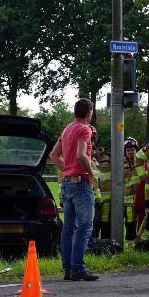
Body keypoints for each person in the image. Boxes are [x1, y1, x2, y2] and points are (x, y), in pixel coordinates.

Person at [49, 98, 99, 281]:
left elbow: (54, 156)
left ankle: (68, 269)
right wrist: (91, 173)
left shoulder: (67, 129)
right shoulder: (84, 129)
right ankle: (78, 267)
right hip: (80, 183)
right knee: (85, 227)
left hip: (67, 184)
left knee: (68, 228)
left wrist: (67, 170)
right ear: (89, 113)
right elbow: (80, 155)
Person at [93, 144, 112, 239]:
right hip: (95, 197)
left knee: (106, 220)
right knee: (95, 220)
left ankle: (106, 241)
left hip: (107, 197)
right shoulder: (90, 159)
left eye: (94, 149)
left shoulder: (109, 158)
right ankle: (94, 241)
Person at [124, 137, 140, 248]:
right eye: (128, 150)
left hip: (140, 198)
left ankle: (140, 244)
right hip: (127, 199)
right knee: (130, 222)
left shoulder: (141, 162)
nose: (130, 151)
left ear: (136, 150)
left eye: (132, 149)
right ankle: (130, 245)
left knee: (141, 221)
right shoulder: (121, 164)